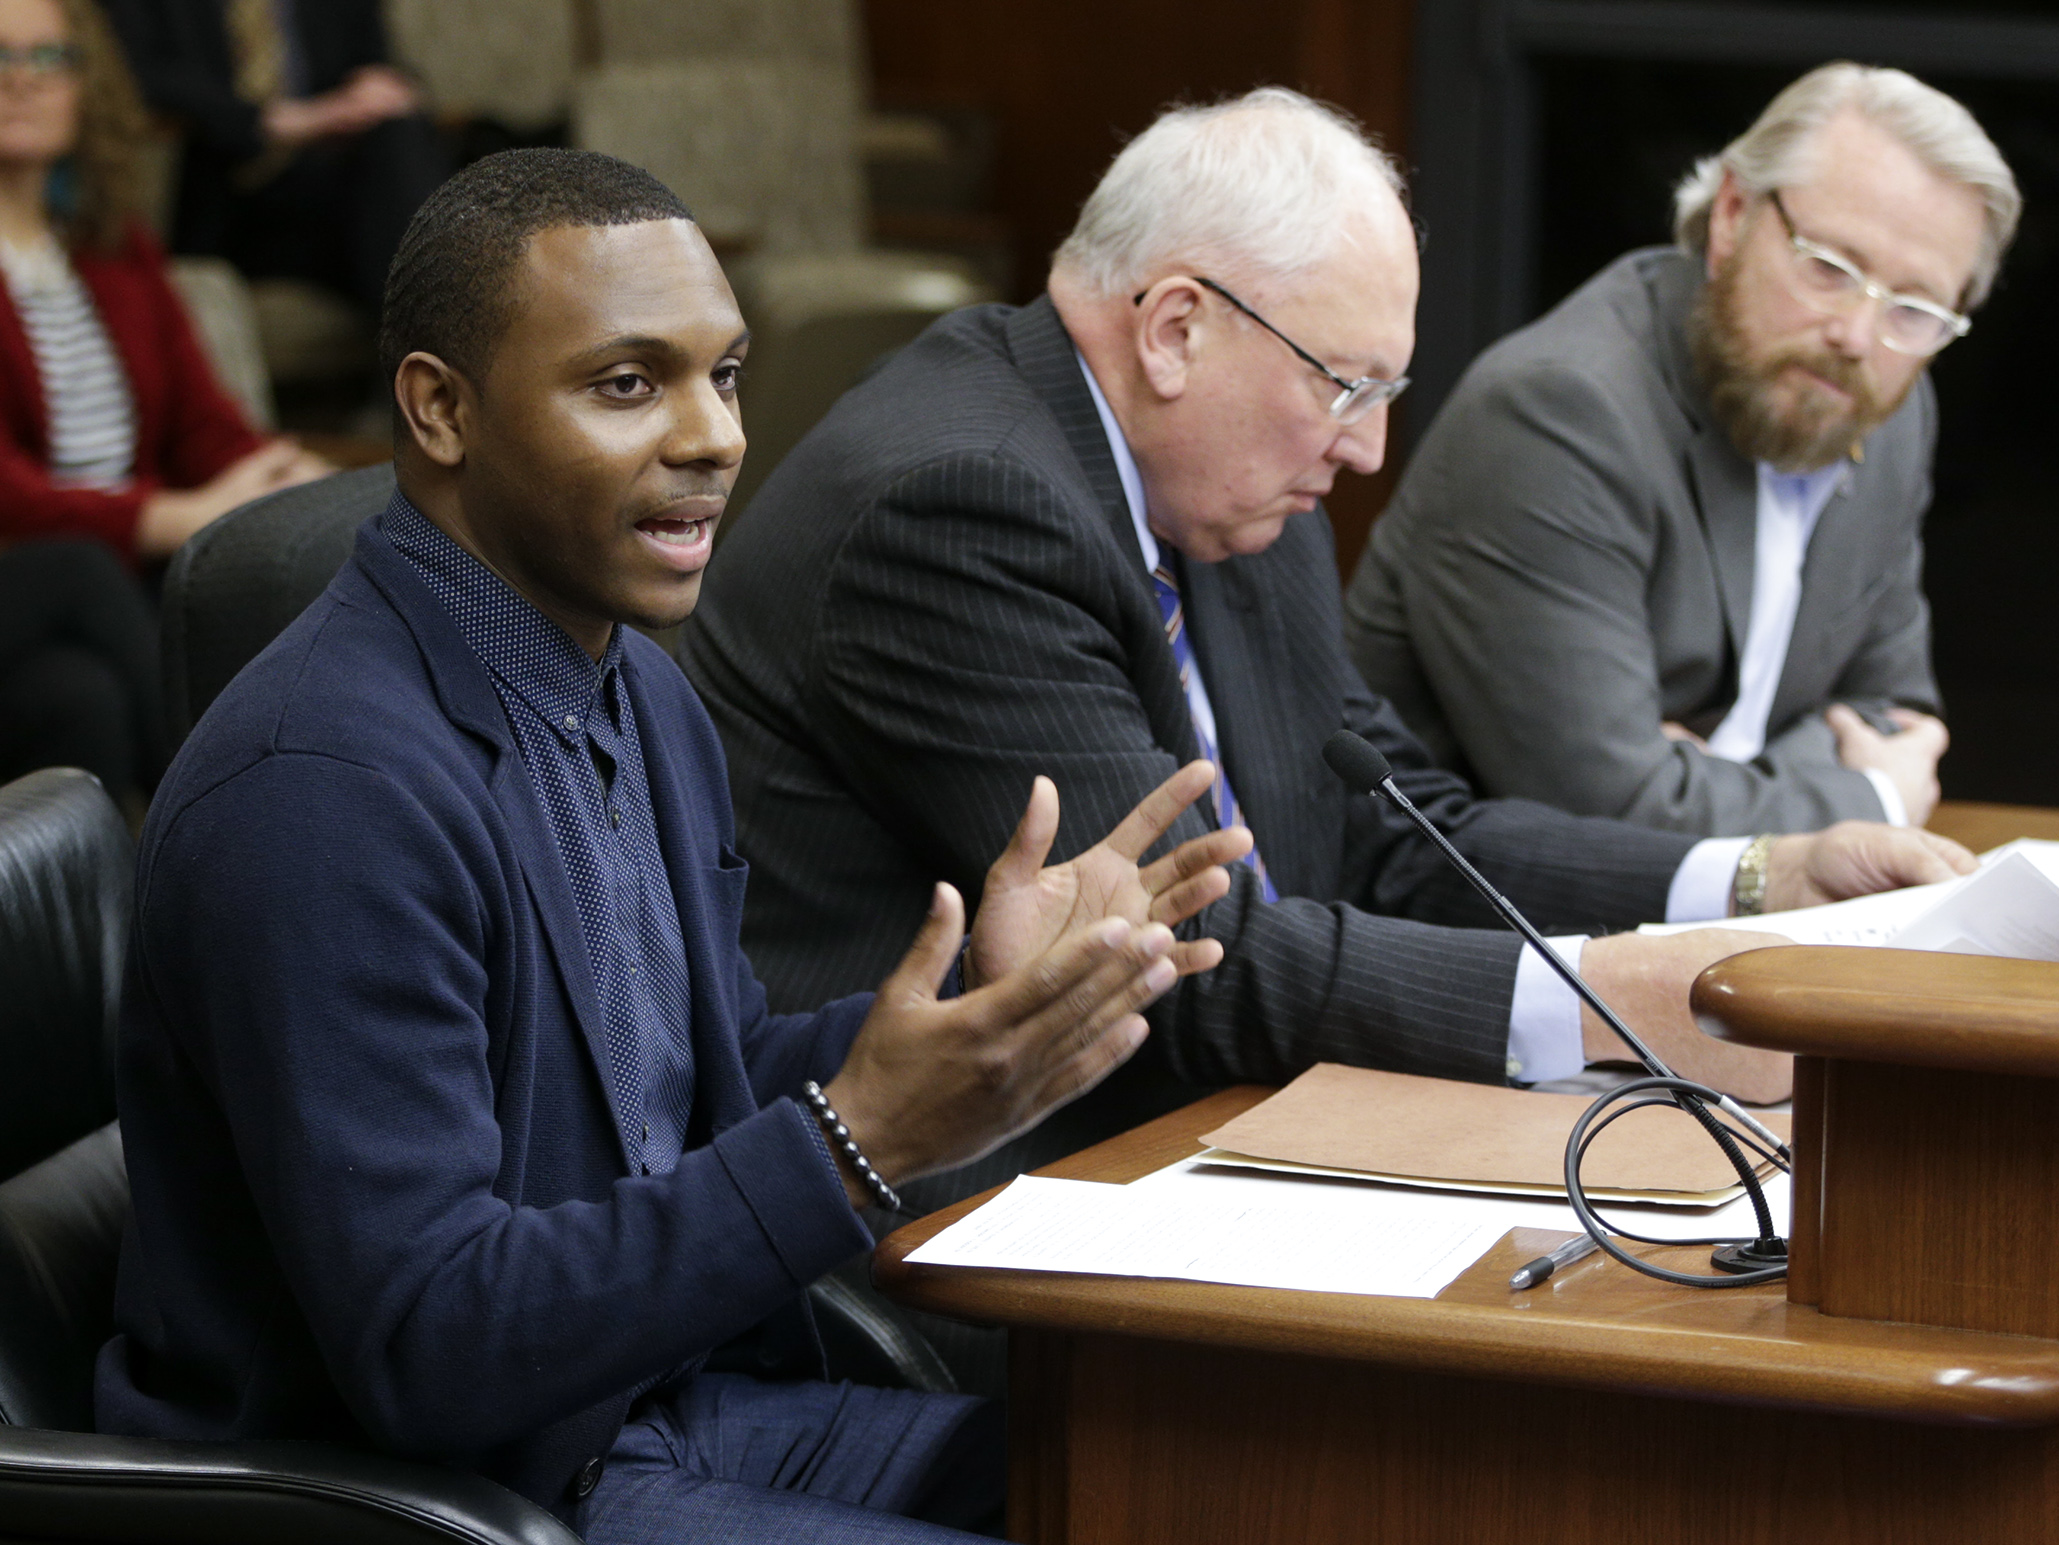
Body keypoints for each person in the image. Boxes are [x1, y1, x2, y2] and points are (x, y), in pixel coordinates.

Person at [98, 148, 1248, 1543]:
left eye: (728, 374)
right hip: (454, 1493)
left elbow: (688, 1097)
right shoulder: (321, 793)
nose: (712, 435)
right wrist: (857, 1140)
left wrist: (965, 1014)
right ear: (440, 409)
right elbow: (432, 1347)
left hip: (661, 1410)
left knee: (1208, 1482)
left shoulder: (636, 687)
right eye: (629, 384)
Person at [682, 86, 1974, 1198]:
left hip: (1182, 1129)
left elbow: (1394, 830)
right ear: (1177, 328)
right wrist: (1611, 1001)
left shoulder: (1228, 486)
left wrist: (1758, 879)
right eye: (1347, 387)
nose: (1366, 453)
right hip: (950, 1216)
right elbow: (1184, 960)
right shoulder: (961, 503)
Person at [1345, 64, 2019, 837]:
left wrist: (1704, 778)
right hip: (1510, 935)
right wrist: (1868, 800)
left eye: (1915, 307)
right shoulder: (1559, 414)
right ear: (1732, 214)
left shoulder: (1884, 410)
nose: (1859, 337)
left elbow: (1896, 715)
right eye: (1830, 270)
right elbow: (1613, 816)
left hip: (1751, 927)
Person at [0, 0, 324, 805]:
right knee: (84, 572)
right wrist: (165, 518)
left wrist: (281, 473)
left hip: (98, 608)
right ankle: (245, 818)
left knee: (76, 700)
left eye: (48, 59)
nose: (21, 81)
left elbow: (201, 424)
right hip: (42, 576)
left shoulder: (113, 244)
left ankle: (132, 926)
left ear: (86, 84)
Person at [100, 0, 449, 315]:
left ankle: (429, 354)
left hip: (328, 188)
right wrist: (277, 120)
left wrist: (381, 93)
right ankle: (439, 359)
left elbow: (379, 62)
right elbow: (133, 73)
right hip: (234, 191)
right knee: (400, 228)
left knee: (396, 138)